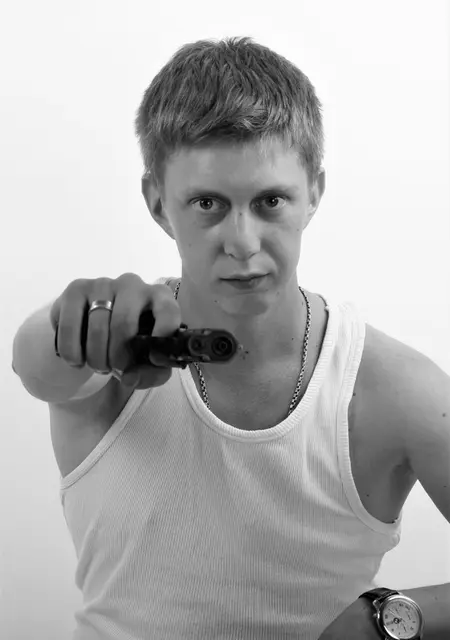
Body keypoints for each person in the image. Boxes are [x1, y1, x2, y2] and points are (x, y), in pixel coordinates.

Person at [14, 36, 447, 640]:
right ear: (157, 203)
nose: (242, 242)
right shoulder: (110, 352)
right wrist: (75, 321)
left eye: (270, 200)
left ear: (315, 192)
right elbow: (38, 362)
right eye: (207, 203)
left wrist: (389, 619)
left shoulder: (394, 389)